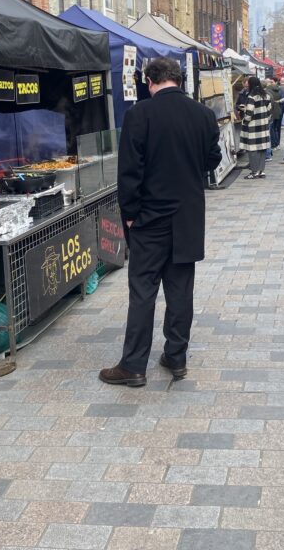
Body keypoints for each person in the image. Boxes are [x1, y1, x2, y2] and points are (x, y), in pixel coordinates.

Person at [100, 58, 222, 387]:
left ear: (151, 81)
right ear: (178, 80)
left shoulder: (140, 115)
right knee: (181, 290)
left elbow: (129, 171)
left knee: (143, 291)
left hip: (149, 217)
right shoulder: (203, 114)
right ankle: (176, 356)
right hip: (187, 216)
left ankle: (134, 365)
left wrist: (130, 214)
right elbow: (213, 158)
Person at [240, 76, 272, 180]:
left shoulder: (252, 97)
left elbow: (249, 113)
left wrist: (245, 121)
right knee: (262, 149)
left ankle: (254, 172)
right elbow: (269, 111)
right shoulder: (266, 95)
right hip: (263, 126)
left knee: (252, 150)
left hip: (253, 127)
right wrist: (265, 120)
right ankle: (261, 171)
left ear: (250, 84)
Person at [267, 79, 284, 151]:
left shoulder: (268, 90)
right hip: (278, 110)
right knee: (277, 128)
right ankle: (277, 144)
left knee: (272, 129)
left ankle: (274, 144)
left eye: (271, 82)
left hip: (272, 111)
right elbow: (283, 98)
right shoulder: (279, 89)